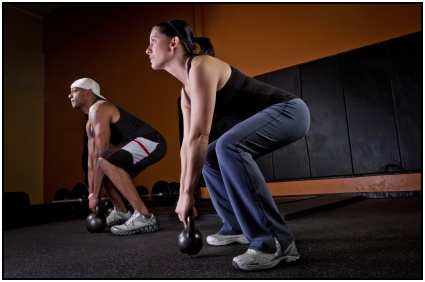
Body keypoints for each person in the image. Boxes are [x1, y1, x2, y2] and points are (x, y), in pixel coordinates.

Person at [146, 20, 310, 271]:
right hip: (278, 116)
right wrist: (182, 193)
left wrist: (189, 194)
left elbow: (200, 134)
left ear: (173, 43)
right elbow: (187, 146)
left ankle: (276, 242)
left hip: (290, 111)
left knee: (226, 146)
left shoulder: (201, 66)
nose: (147, 49)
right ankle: (236, 226)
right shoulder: (185, 92)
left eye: (152, 41)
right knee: (211, 155)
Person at [68, 78, 167, 236]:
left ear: (88, 93)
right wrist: (93, 193)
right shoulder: (89, 122)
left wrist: (97, 195)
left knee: (105, 160)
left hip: (152, 141)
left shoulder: (99, 108)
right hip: (138, 144)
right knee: (103, 167)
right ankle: (122, 211)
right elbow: (92, 160)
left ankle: (144, 216)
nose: (69, 95)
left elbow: (101, 153)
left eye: (74, 90)